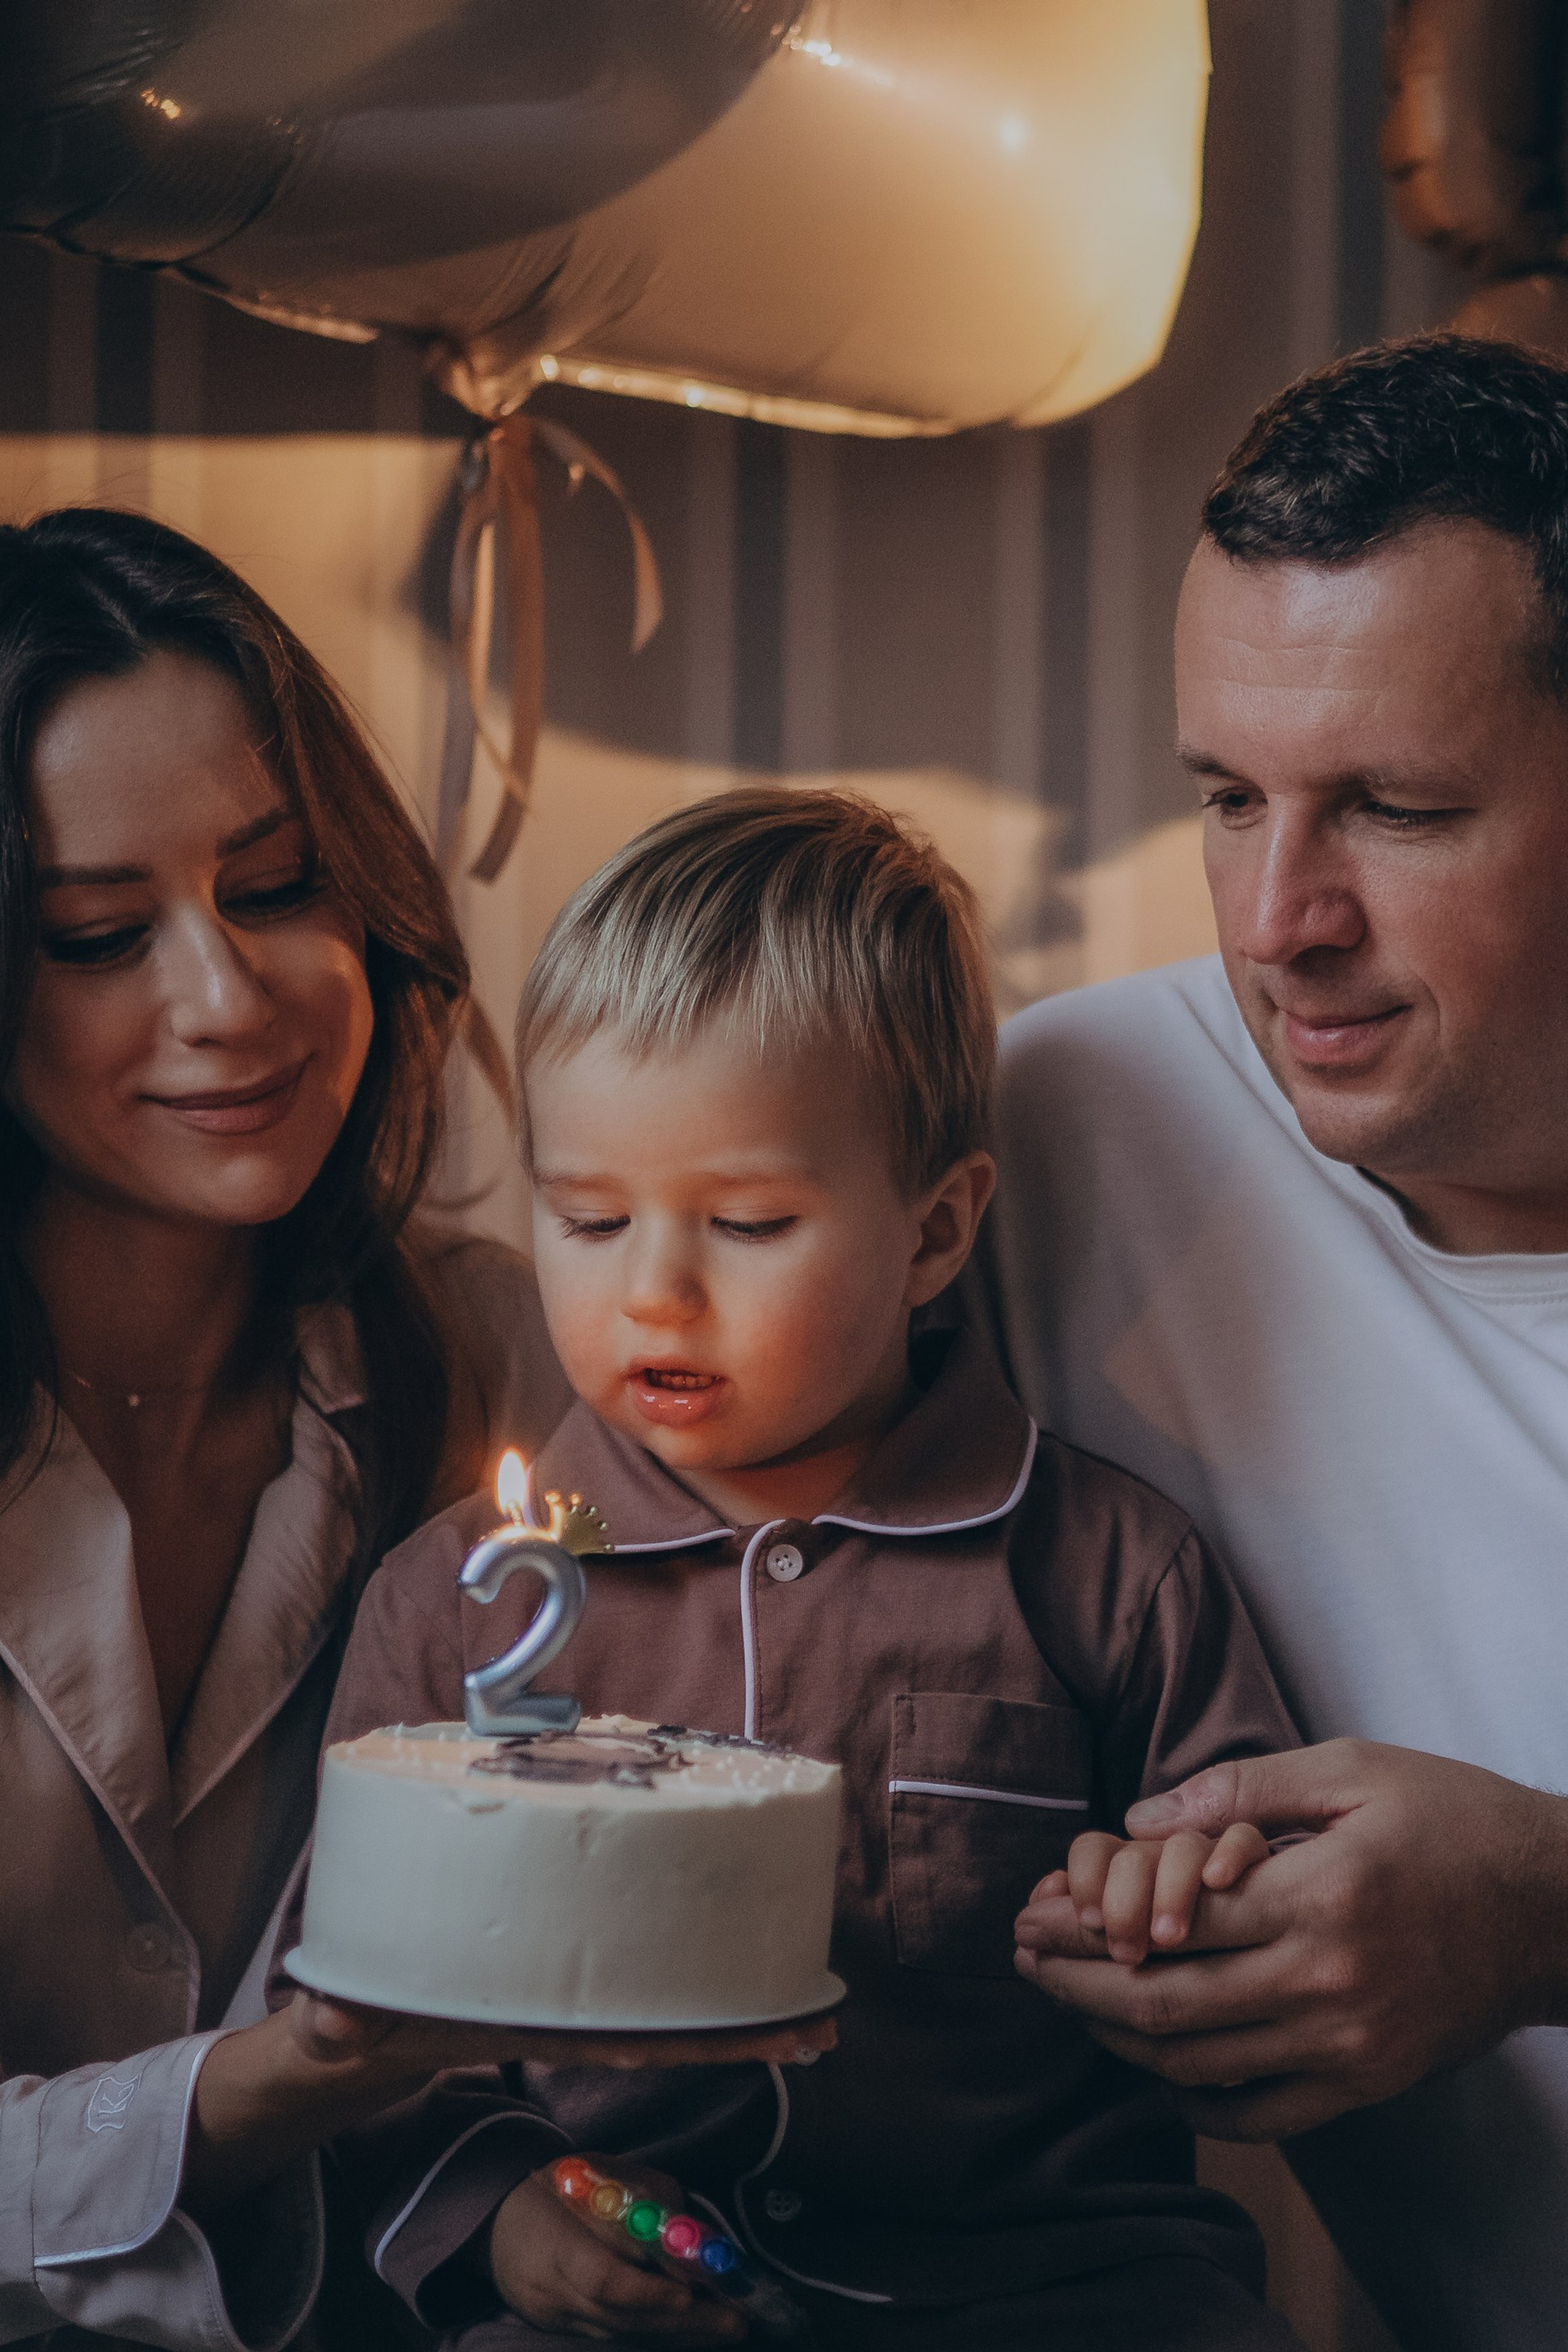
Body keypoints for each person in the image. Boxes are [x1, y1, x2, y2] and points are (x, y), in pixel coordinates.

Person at [310, 786, 1310, 2351]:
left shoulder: (1108, 1572)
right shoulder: (452, 1608)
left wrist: (1185, 1901)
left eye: (749, 1221)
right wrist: (498, 2211)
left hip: (1052, 2284)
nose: (654, 1292)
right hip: (630, 2295)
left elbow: (1278, 1926)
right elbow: (359, 2027)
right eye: (586, 1217)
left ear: (932, 1235)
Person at [0, 510, 815, 2352]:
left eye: (277, 886)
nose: (227, 999)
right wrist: (245, 2097)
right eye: (98, 933)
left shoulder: (519, 1361)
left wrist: (542, 2192)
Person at [984, 336, 1568, 2352]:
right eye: (1230, 798)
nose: (1276, 918)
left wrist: (1542, 1910)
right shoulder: (1060, 1133)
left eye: (1396, 811)